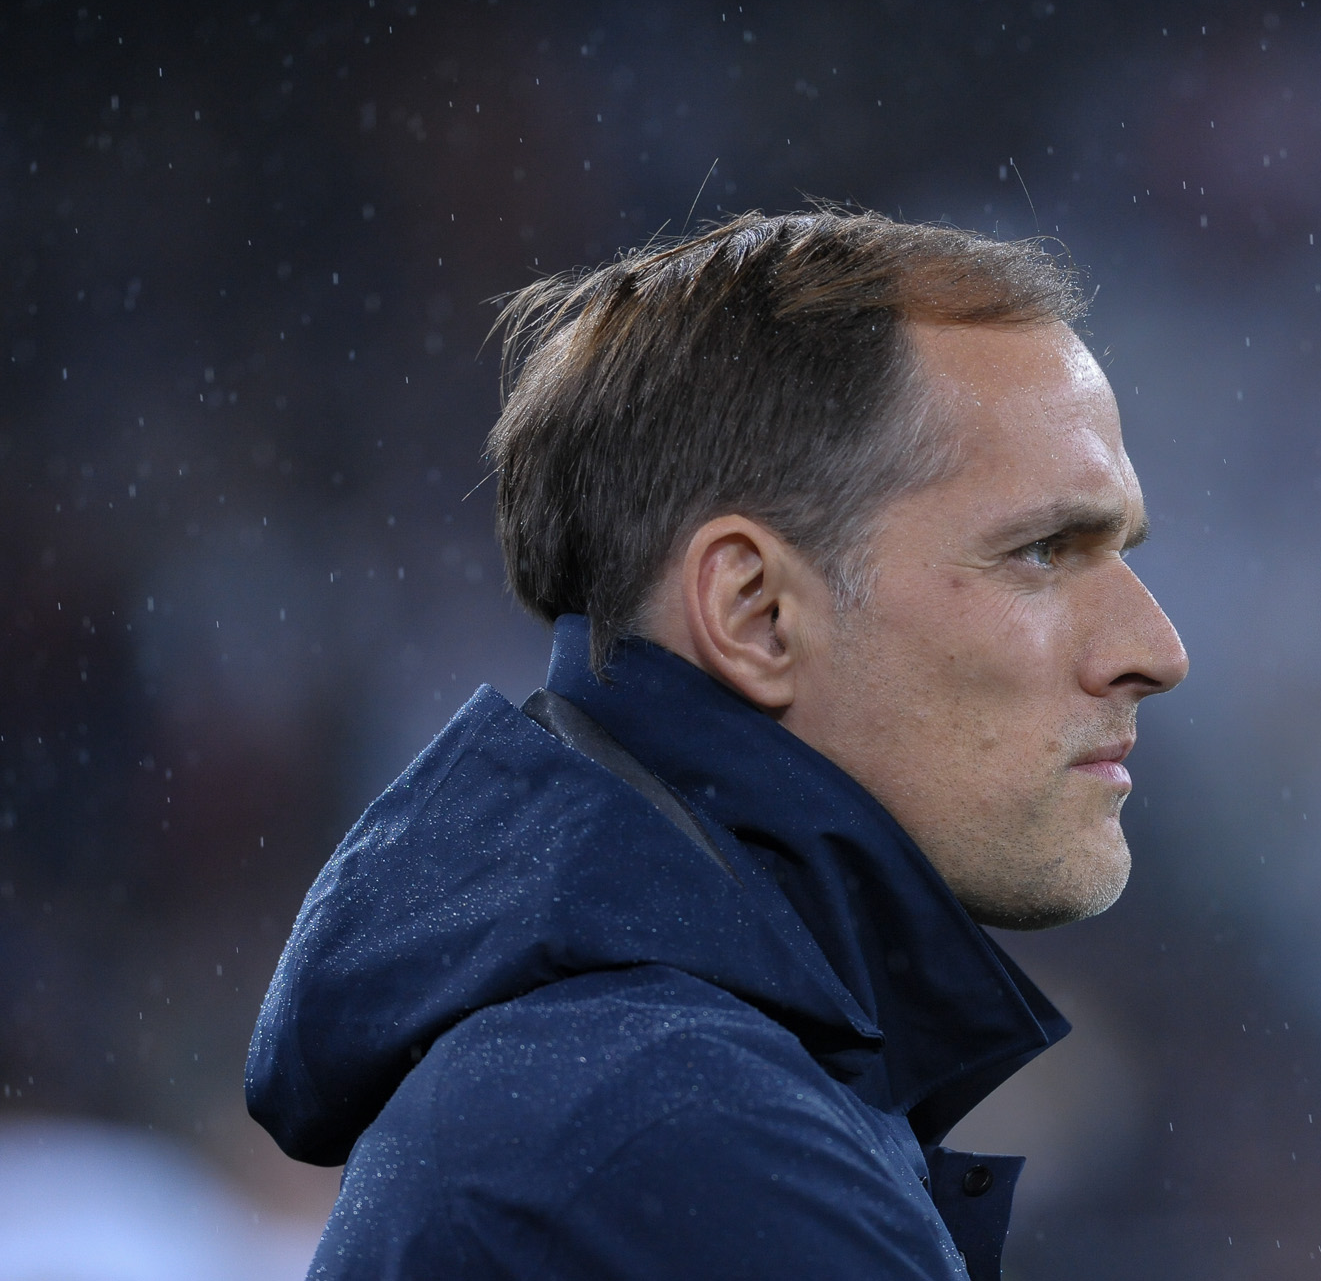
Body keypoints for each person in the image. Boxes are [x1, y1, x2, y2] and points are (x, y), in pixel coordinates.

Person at [245, 209, 1188, 1279]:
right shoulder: (671, 1131)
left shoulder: (644, 1084)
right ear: (755, 612)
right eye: (1043, 551)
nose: (1155, 649)